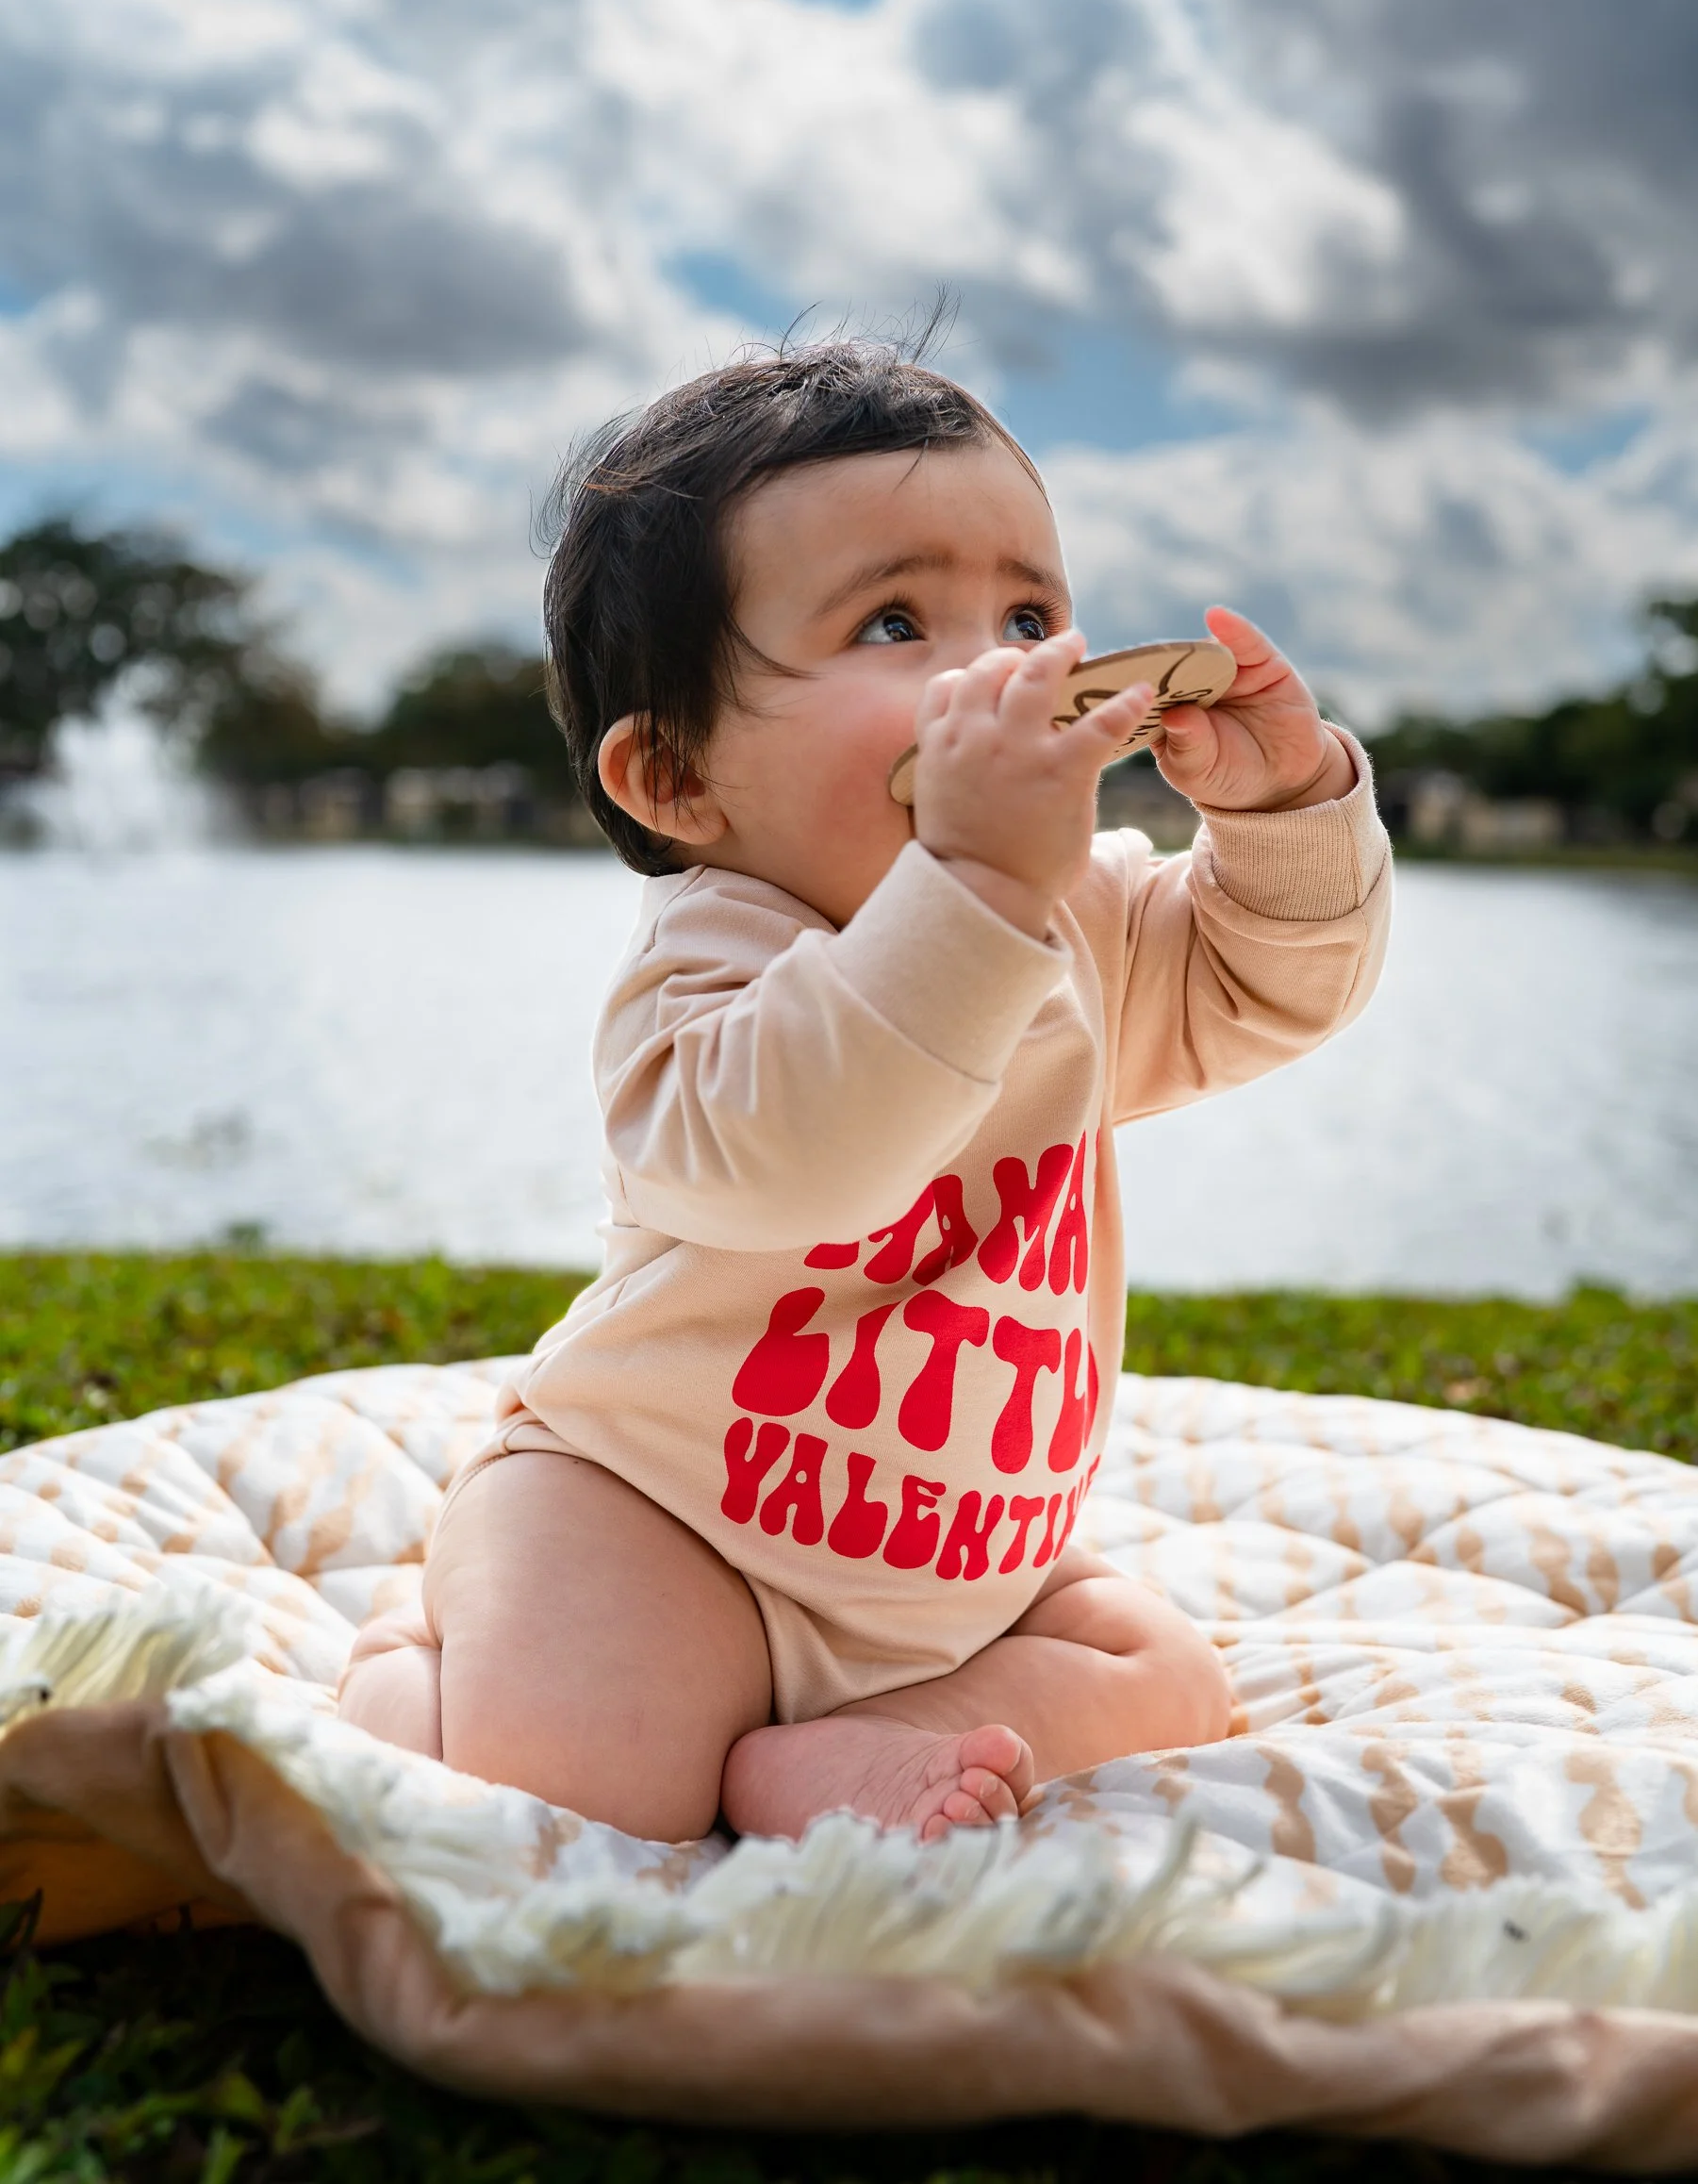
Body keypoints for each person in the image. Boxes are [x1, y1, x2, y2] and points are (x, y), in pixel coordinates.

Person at [339, 336, 1391, 1845]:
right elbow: (801, 1156)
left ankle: (834, 1752)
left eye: (1030, 612)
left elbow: (1263, 988)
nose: (1001, 671)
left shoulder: (1068, 917)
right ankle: (406, 1657)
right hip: (658, 1520)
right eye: (896, 620)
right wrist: (973, 885)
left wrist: (1286, 811)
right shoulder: (714, 967)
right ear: (681, 782)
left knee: (1158, 1669)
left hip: (960, 1572)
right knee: (583, 1788)